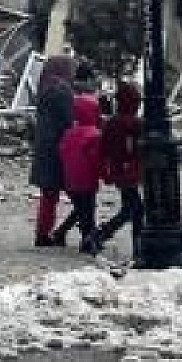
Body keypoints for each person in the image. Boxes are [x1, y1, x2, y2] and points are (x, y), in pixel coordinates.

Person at [29, 55, 76, 247]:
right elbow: (67, 120)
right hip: (59, 149)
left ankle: (43, 232)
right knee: (80, 197)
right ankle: (65, 231)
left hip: (44, 147)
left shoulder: (44, 89)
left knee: (49, 195)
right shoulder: (62, 91)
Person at [91, 81, 143, 252]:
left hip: (118, 169)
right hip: (129, 170)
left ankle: (106, 235)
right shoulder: (133, 124)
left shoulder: (112, 122)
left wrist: (105, 170)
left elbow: (103, 148)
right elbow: (136, 149)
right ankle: (103, 234)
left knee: (133, 208)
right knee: (134, 209)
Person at [52, 93, 104, 253]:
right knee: (87, 210)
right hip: (87, 179)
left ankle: (64, 232)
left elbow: (61, 151)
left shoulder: (69, 133)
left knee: (81, 208)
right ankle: (87, 239)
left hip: (70, 179)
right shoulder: (94, 134)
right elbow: (96, 158)